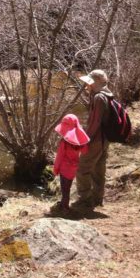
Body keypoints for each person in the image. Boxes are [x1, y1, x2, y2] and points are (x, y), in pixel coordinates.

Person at [73, 69, 113, 209]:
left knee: (82, 168)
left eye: (89, 82)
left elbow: (95, 122)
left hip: (95, 140)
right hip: (104, 140)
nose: (87, 86)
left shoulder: (98, 98)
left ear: (96, 82)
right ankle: (97, 199)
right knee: (98, 169)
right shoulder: (107, 95)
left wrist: (85, 139)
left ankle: (85, 200)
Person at [50, 114, 90, 216]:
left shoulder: (64, 143)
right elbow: (85, 151)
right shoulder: (79, 143)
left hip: (64, 169)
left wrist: (55, 169)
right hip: (73, 168)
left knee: (65, 190)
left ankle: (64, 208)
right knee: (68, 187)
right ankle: (64, 205)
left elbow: (59, 157)